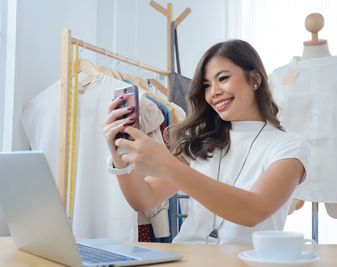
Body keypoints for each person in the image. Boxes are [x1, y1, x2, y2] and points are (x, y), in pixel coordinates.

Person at [103, 39, 310, 244]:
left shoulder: (290, 146)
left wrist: (168, 166)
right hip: (186, 257)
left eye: (223, 78)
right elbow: (143, 200)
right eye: (206, 85)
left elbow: (253, 211)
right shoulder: (200, 140)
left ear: (255, 79)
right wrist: (118, 155)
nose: (214, 92)